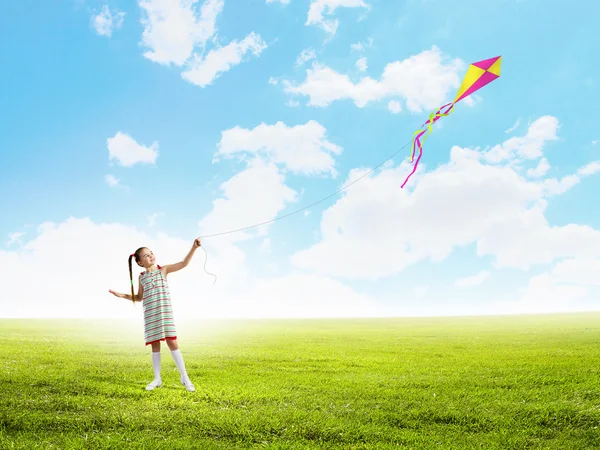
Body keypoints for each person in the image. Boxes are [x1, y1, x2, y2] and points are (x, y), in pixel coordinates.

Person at [109, 238, 201, 392]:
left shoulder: (163, 270)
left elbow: (183, 263)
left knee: (172, 343)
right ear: (139, 262)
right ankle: (157, 379)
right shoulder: (142, 277)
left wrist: (194, 247)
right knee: (155, 346)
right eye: (146, 255)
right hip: (151, 316)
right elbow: (139, 298)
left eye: (151, 253)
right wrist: (122, 295)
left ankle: (185, 377)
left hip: (165, 314)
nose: (151, 256)